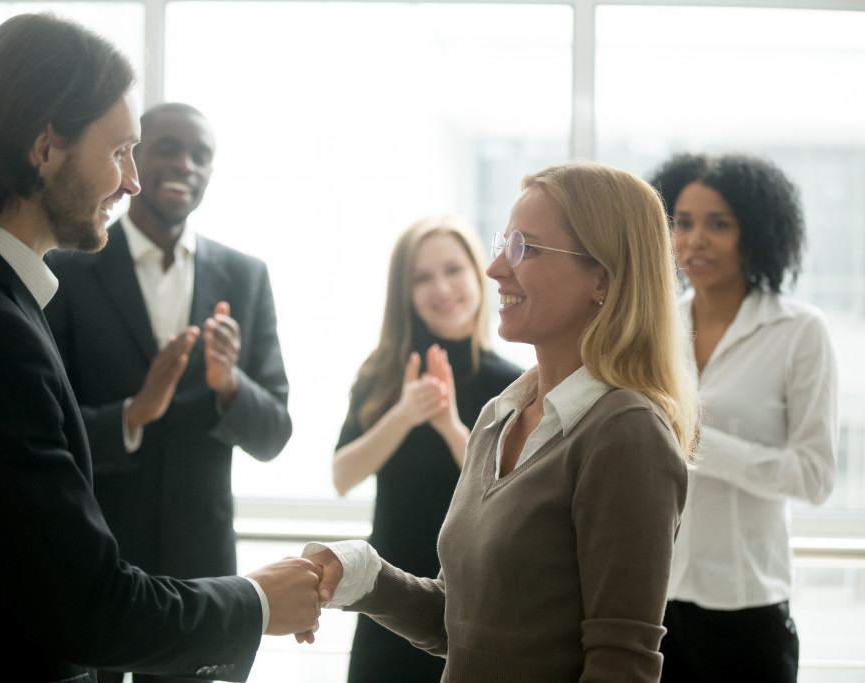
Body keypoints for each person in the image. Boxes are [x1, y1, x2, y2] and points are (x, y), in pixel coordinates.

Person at [0, 15, 323, 682]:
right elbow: (88, 609)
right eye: (122, 150)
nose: (131, 182)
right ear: (44, 146)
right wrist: (258, 599)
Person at [303, 160, 699, 682]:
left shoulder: (626, 434)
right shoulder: (500, 414)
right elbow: (459, 623)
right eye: (503, 243)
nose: (494, 269)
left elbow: (621, 664)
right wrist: (358, 572)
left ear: (600, 278)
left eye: (525, 248)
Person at [44, 103, 291, 682]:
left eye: (201, 155)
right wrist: (133, 414)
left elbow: (275, 434)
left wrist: (230, 384)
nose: (186, 164)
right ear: (132, 158)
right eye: (168, 147)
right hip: (94, 566)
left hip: (201, 573)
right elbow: (47, 424)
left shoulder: (245, 275)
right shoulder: (66, 268)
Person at [648, 153, 838, 682]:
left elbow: (815, 476)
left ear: (756, 233)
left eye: (719, 224)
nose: (695, 240)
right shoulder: (657, 328)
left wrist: (697, 438)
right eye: (682, 222)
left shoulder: (799, 331)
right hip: (654, 602)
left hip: (748, 608)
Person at [331, 214, 520, 682]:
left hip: (474, 602)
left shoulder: (514, 383)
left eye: (453, 270)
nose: (441, 288)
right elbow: (342, 477)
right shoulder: (382, 373)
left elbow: (512, 493)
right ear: (405, 293)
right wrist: (404, 414)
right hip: (386, 598)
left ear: (479, 274)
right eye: (422, 277)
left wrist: (450, 425)